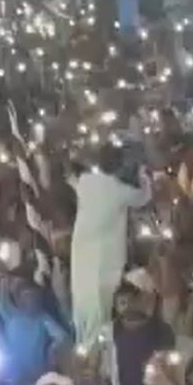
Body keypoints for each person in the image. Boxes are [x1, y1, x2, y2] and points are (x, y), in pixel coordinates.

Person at [70, 146, 151, 341]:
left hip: (82, 255)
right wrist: (143, 176)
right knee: (102, 307)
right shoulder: (120, 190)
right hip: (105, 261)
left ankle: (86, 348)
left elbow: (73, 177)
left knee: (83, 303)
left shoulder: (86, 182)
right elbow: (144, 198)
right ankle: (97, 352)